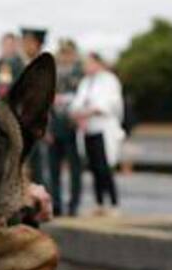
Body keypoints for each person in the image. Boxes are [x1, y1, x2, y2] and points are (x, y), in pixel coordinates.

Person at [69, 52, 125, 216]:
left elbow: (109, 103)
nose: (86, 67)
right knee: (93, 167)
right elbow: (77, 103)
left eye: (90, 63)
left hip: (103, 129)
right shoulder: (85, 82)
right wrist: (77, 113)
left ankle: (114, 203)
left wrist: (88, 112)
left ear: (98, 63)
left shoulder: (109, 80)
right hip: (87, 130)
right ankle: (99, 203)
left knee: (105, 167)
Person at [48, 38, 84, 216]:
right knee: (54, 169)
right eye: (62, 53)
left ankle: (74, 203)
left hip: (72, 127)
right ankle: (56, 203)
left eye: (68, 52)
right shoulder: (53, 72)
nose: (65, 56)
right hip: (55, 126)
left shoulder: (80, 72)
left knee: (74, 169)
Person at [20, 26, 50, 188]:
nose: (25, 46)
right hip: (18, 124)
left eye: (29, 42)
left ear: (38, 44)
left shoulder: (46, 66)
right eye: (24, 42)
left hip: (37, 124)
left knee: (41, 167)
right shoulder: (14, 65)